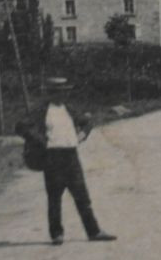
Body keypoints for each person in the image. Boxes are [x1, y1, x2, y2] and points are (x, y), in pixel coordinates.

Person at [15, 78, 117, 246]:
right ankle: (57, 235)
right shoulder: (41, 110)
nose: (62, 94)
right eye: (57, 91)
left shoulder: (69, 108)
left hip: (71, 156)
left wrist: (82, 135)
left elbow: (86, 122)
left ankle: (94, 232)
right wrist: (41, 141)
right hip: (52, 157)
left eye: (64, 91)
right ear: (50, 93)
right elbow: (21, 127)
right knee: (55, 197)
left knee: (82, 196)